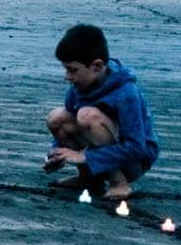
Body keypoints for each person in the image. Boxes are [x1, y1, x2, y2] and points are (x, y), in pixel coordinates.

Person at [44, 24, 158, 199]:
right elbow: (66, 122)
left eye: (72, 69)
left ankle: (119, 183)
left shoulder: (126, 93)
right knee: (57, 118)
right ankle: (88, 178)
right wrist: (57, 153)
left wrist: (85, 156)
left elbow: (137, 148)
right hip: (99, 153)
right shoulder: (79, 86)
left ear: (97, 66)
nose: (67, 76)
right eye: (65, 68)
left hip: (133, 162)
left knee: (88, 116)